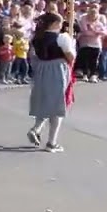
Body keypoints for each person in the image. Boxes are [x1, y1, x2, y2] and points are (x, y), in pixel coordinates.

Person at [27, 11, 76, 153]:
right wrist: (71, 46)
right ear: (55, 24)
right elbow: (70, 57)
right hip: (57, 68)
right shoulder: (61, 38)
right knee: (57, 105)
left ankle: (37, 128)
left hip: (41, 68)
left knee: (45, 100)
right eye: (60, 23)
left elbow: (33, 56)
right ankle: (51, 142)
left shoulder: (36, 37)